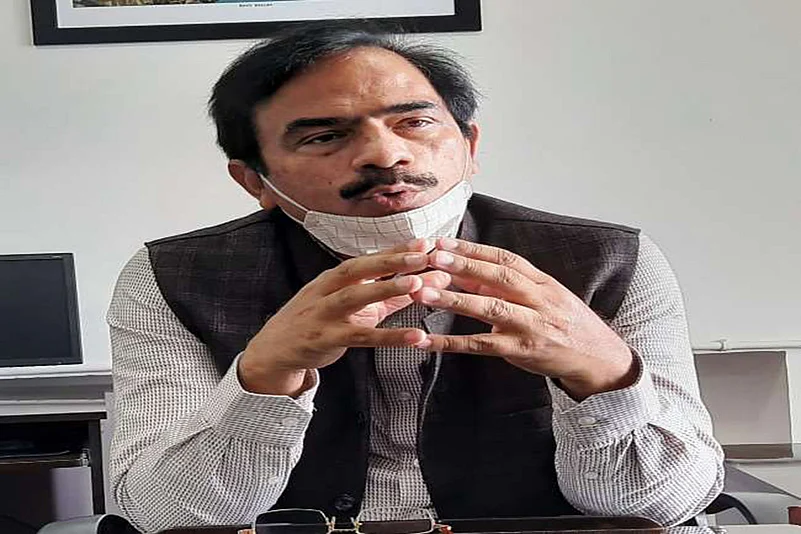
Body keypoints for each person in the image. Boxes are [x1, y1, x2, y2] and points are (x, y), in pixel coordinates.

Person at [107, 22, 724, 534]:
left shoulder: (610, 261)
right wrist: (263, 379)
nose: (384, 155)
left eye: (414, 123)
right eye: (325, 136)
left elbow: (660, 507)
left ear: (469, 145)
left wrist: (603, 376)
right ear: (254, 181)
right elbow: (166, 517)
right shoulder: (172, 277)